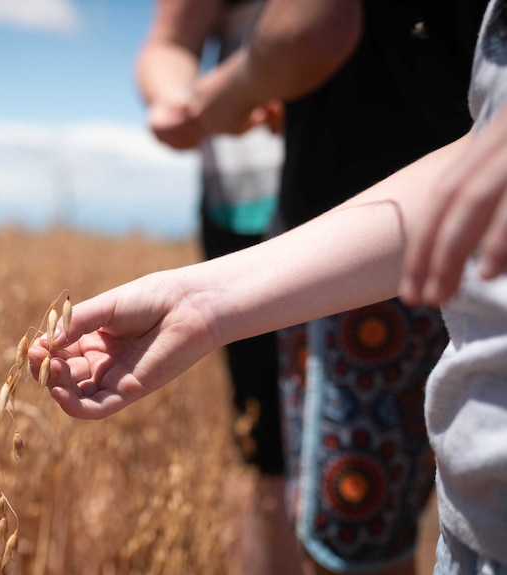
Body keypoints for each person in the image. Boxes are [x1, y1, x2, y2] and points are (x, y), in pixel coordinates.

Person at [28, 1, 507, 573]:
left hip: (340, 223)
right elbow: (473, 162)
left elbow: (312, 29)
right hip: (331, 244)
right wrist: (203, 302)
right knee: (295, 479)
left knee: (343, 529)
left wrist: (229, 90)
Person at [135, 3, 292, 573]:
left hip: (381, 194)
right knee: (261, 443)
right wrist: (182, 100)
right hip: (242, 213)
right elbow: (168, 42)